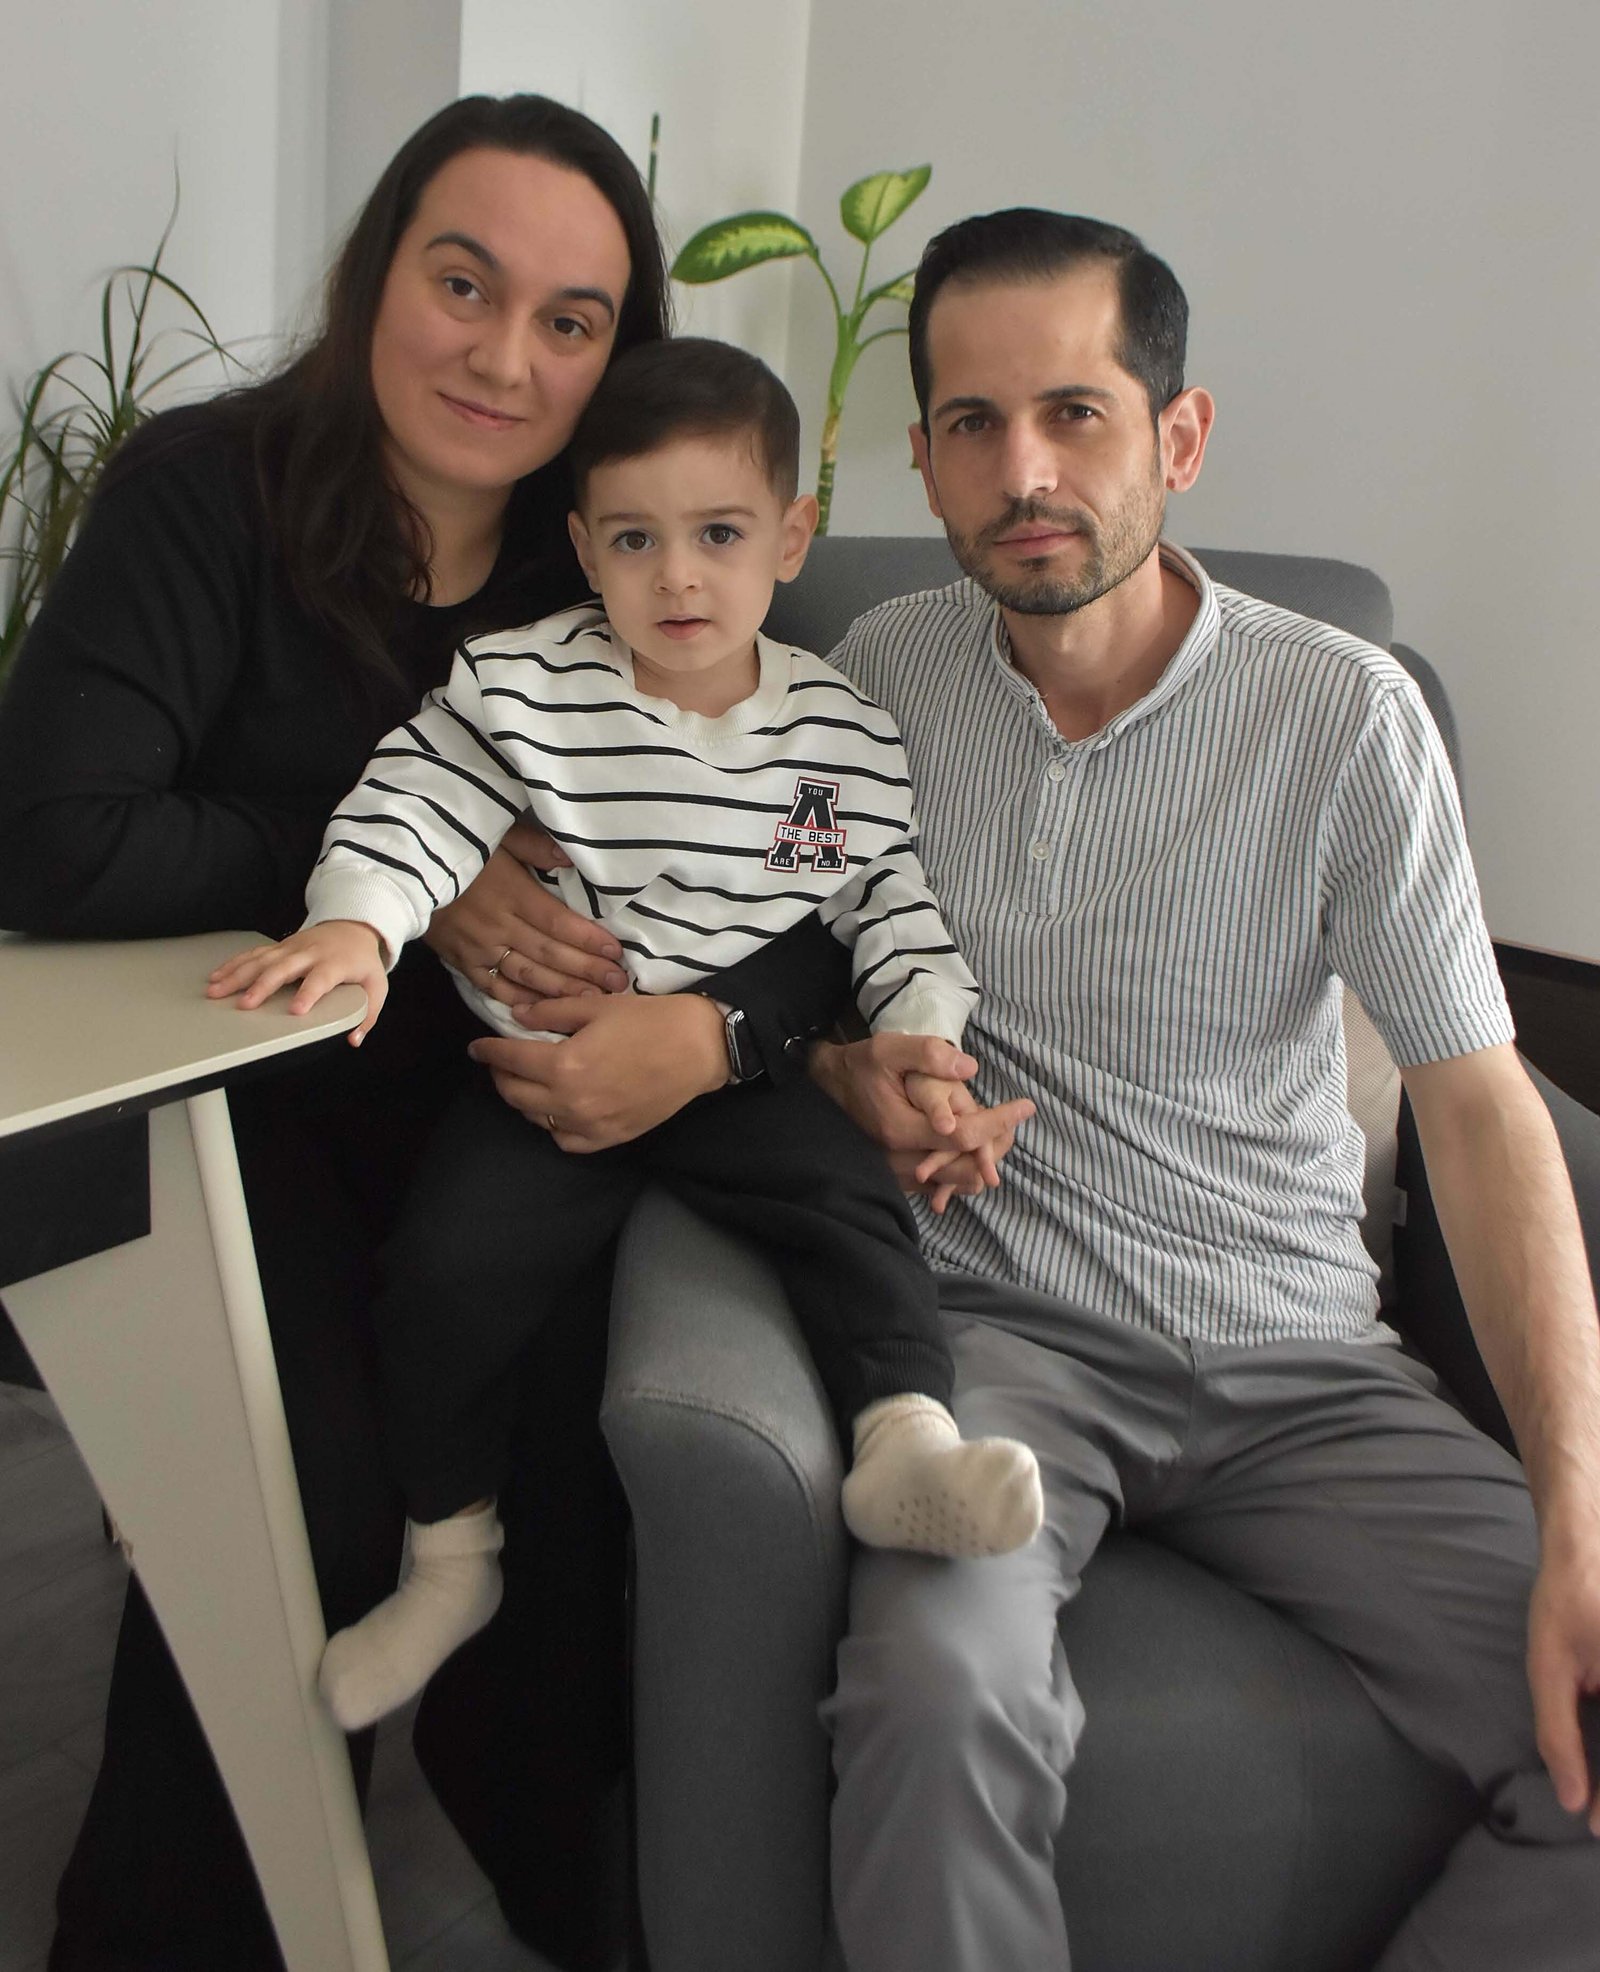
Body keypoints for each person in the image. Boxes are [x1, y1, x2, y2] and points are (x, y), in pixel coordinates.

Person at [0, 97, 849, 1972]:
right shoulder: (204, 493)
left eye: (571, 320)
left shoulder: (615, 560)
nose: (504, 355)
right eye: (464, 284)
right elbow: (54, 837)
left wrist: (708, 1035)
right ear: (379, 270)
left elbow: (805, 891)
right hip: (239, 1110)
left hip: (511, 1117)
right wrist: (402, 867)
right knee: (292, 1496)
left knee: (568, 1471)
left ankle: (567, 1889)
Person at [800, 209, 1600, 1970]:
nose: (1024, 472)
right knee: (936, 1699)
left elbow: (1481, 1112)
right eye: (973, 423)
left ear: (1180, 435)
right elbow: (746, 966)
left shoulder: (1347, 716)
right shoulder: (872, 687)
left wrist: (1578, 1508)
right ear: (924, 459)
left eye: (1075, 413)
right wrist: (847, 1070)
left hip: (1303, 1360)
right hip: (999, 1342)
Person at [209, 336, 1046, 1731]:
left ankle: (903, 1442)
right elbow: (414, 804)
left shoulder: (838, 737)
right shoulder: (523, 688)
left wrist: (925, 1042)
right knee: (438, 1277)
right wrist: (357, 924)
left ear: (790, 538)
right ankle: (450, 1559)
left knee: (856, 1214)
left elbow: (889, 909)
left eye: (719, 534)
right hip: (541, 1076)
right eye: (636, 539)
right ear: (585, 547)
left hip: (738, 1073)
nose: (678, 578)